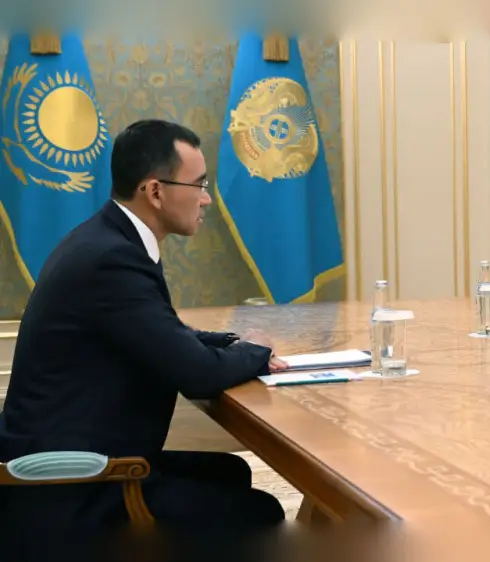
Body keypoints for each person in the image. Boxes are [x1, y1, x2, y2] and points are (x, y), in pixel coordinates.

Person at [0, 119, 290, 536]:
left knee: (230, 472)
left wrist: (232, 343)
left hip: (79, 462)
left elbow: (163, 334)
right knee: (260, 512)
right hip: (69, 488)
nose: (206, 198)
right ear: (155, 191)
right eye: (199, 184)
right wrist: (256, 350)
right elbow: (197, 374)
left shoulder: (105, 239)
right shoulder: (111, 259)